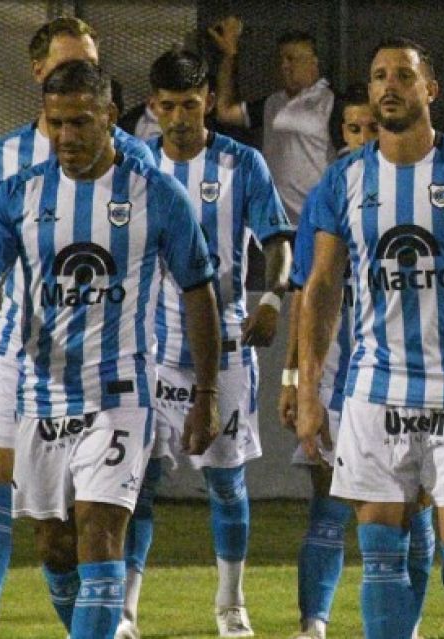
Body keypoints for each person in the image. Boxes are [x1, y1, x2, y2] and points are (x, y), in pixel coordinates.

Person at [0, 59, 221, 639]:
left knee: (99, 533)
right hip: (40, 395)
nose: (66, 137)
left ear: (111, 118)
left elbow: (199, 293)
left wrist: (206, 391)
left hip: (120, 395)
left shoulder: (158, 196)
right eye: (56, 124)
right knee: (56, 546)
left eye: (80, 123)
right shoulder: (20, 195)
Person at [297, 37, 444, 639]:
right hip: (374, 391)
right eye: (378, 76)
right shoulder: (344, 179)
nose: (388, 86)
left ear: (429, 90)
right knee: (378, 555)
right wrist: (306, 386)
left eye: (403, 75)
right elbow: (322, 286)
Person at [0, 17, 155, 639]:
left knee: (84, 523)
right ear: (39, 72)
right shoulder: (4, 158)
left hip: (104, 361)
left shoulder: (135, 157)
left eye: (91, 63)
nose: (81, 74)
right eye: (70, 63)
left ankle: (104, 619)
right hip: (19, 348)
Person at [112, 49, 294, 639]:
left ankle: (230, 605)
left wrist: (271, 300)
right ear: (153, 107)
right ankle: (126, 609)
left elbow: (277, 240)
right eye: (167, 106)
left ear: (208, 102)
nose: (179, 117)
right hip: (150, 350)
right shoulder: (136, 168)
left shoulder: (242, 164)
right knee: (139, 483)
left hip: (228, 348)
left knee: (225, 480)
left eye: (190, 104)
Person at [277, 82, 436, 639]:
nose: (364, 137)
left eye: (372, 126)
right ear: (339, 134)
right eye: (353, 128)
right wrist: (296, 378)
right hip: (338, 382)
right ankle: (313, 622)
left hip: (410, 384)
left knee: (412, 509)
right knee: (327, 504)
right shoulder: (331, 195)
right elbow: (305, 292)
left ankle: (404, 625)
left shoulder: (422, 190)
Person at [209, 17, 338, 223]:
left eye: (292, 58)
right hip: (277, 223)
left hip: (317, 223)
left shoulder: (332, 103)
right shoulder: (272, 103)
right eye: (281, 59)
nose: (285, 65)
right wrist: (229, 55)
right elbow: (224, 112)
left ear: (314, 63)